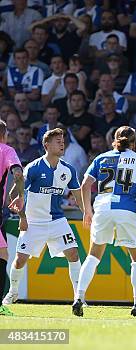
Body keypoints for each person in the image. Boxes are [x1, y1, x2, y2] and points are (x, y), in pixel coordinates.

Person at [73, 126, 136, 318]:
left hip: (102, 209)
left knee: (93, 256)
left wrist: (87, 211)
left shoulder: (101, 158)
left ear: (114, 139)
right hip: (126, 209)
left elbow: (85, 185)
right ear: (134, 142)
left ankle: (78, 298)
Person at [2, 128, 84, 310]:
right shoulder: (34, 167)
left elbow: (78, 196)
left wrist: (87, 213)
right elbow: (17, 192)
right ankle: (13, 291)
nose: (62, 143)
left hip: (57, 221)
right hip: (33, 222)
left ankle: (78, 297)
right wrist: (21, 216)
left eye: (63, 140)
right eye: (57, 141)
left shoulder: (68, 169)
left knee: (73, 254)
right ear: (46, 144)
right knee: (20, 259)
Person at [0, 120, 24, 316]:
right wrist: (19, 194)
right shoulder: (6, 150)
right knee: (2, 255)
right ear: (4, 134)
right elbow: (17, 172)